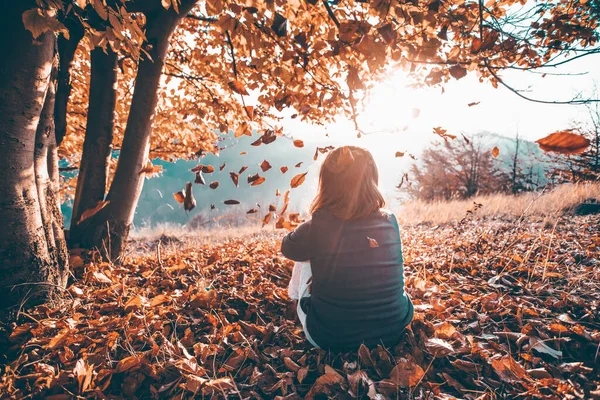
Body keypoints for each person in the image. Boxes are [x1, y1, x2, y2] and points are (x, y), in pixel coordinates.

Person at [281, 146, 414, 352]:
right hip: (392, 332)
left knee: (304, 254)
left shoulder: (318, 225)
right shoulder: (390, 220)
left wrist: (310, 225)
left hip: (330, 338)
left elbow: (288, 248)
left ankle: (294, 304)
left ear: (327, 183)